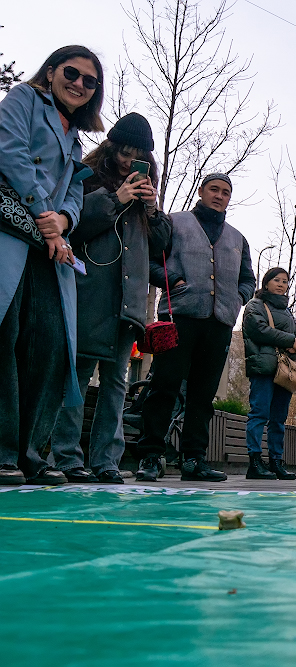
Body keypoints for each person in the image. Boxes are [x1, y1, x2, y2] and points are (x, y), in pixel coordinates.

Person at [0, 46, 105, 485]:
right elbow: (10, 151)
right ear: (50, 71)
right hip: (10, 234)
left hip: (48, 247)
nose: (79, 84)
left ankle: (29, 453)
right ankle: (3, 452)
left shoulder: (76, 138)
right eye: (71, 72)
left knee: (48, 348)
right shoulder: (23, 98)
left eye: (89, 81)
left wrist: (62, 220)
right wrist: (45, 213)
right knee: (5, 336)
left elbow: (75, 193)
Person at [48, 113, 171, 484]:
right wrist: (115, 199)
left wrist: (151, 209)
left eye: (138, 155)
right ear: (111, 147)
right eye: (124, 151)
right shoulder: (86, 179)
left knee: (117, 382)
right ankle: (66, 457)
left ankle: (107, 461)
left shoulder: (145, 195)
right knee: (78, 377)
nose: (128, 160)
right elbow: (73, 228)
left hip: (128, 304)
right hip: (89, 295)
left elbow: (161, 247)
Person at [135, 173, 256, 482]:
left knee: (203, 395)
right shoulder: (174, 223)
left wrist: (237, 299)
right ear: (201, 191)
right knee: (164, 386)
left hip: (220, 323)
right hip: (179, 317)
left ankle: (194, 459)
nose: (219, 195)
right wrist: (174, 281)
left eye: (225, 192)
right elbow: (149, 260)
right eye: (214, 189)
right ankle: (151, 456)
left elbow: (248, 280)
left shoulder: (238, 238)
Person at [242, 267, 296, 481]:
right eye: (277, 280)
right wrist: (290, 341)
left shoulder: (287, 311)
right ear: (266, 282)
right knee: (259, 414)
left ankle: (276, 461)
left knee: (278, 419)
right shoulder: (255, 305)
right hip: (264, 367)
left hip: (285, 371)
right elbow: (258, 330)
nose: (281, 284)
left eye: (285, 281)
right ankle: (255, 461)